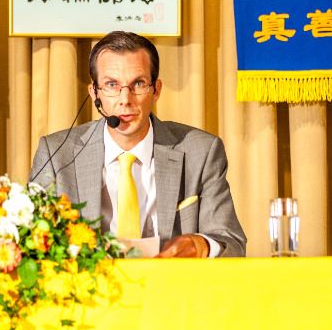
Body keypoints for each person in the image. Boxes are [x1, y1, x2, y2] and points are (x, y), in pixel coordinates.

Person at [30, 31, 246, 258]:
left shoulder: (201, 152)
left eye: (139, 84)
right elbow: (31, 242)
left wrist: (201, 245)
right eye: (111, 85)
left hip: (169, 278)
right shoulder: (56, 155)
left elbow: (231, 243)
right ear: (94, 93)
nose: (125, 99)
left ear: (156, 90)